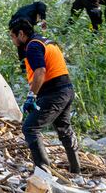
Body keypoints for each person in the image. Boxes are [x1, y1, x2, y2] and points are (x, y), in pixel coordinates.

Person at [8, 18, 80, 174]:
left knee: (30, 127)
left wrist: (31, 96)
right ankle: (76, 170)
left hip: (54, 93)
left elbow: (40, 71)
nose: (12, 41)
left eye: (12, 36)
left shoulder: (33, 46)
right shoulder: (46, 41)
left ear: (21, 34)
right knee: (64, 129)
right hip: (66, 89)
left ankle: (43, 171)